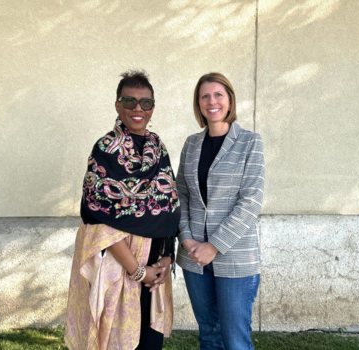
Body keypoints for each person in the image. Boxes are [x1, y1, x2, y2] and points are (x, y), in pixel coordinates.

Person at [65, 70, 181, 350]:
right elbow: (97, 217)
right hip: (120, 266)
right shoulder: (106, 149)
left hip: (155, 268)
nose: (138, 109)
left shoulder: (157, 147)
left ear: (153, 107)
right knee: (115, 341)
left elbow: (167, 209)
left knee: (149, 343)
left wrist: (165, 263)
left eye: (146, 103)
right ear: (118, 105)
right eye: (130, 102)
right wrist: (138, 271)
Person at [176, 72, 265, 350]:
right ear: (198, 103)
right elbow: (180, 194)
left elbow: (251, 201)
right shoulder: (191, 144)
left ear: (229, 101)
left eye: (218, 95)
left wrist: (213, 246)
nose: (211, 101)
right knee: (209, 335)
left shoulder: (250, 142)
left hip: (235, 257)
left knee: (235, 340)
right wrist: (186, 238)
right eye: (205, 96)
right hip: (194, 259)